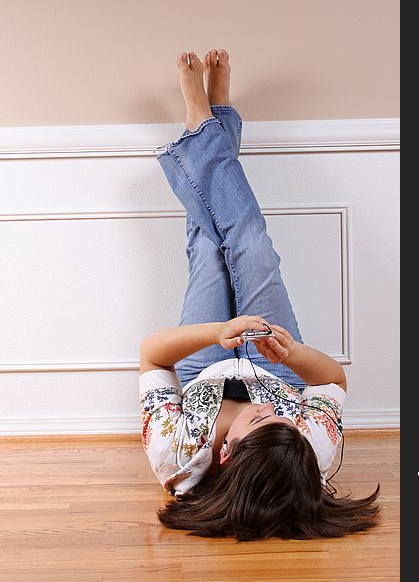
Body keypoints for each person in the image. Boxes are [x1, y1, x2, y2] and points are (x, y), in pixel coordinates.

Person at [139, 49, 380, 541]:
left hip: (200, 364)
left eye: (261, 422)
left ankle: (209, 122)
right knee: (251, 245)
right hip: (276, 362)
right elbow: (332, 380)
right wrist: (293, 353)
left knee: (208, 245)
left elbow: (151, 357)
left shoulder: (178, 456)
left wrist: (218, 332)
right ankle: (212, 122)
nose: (277, 414)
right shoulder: (314, 453)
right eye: (286, 423)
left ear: (225, 452)